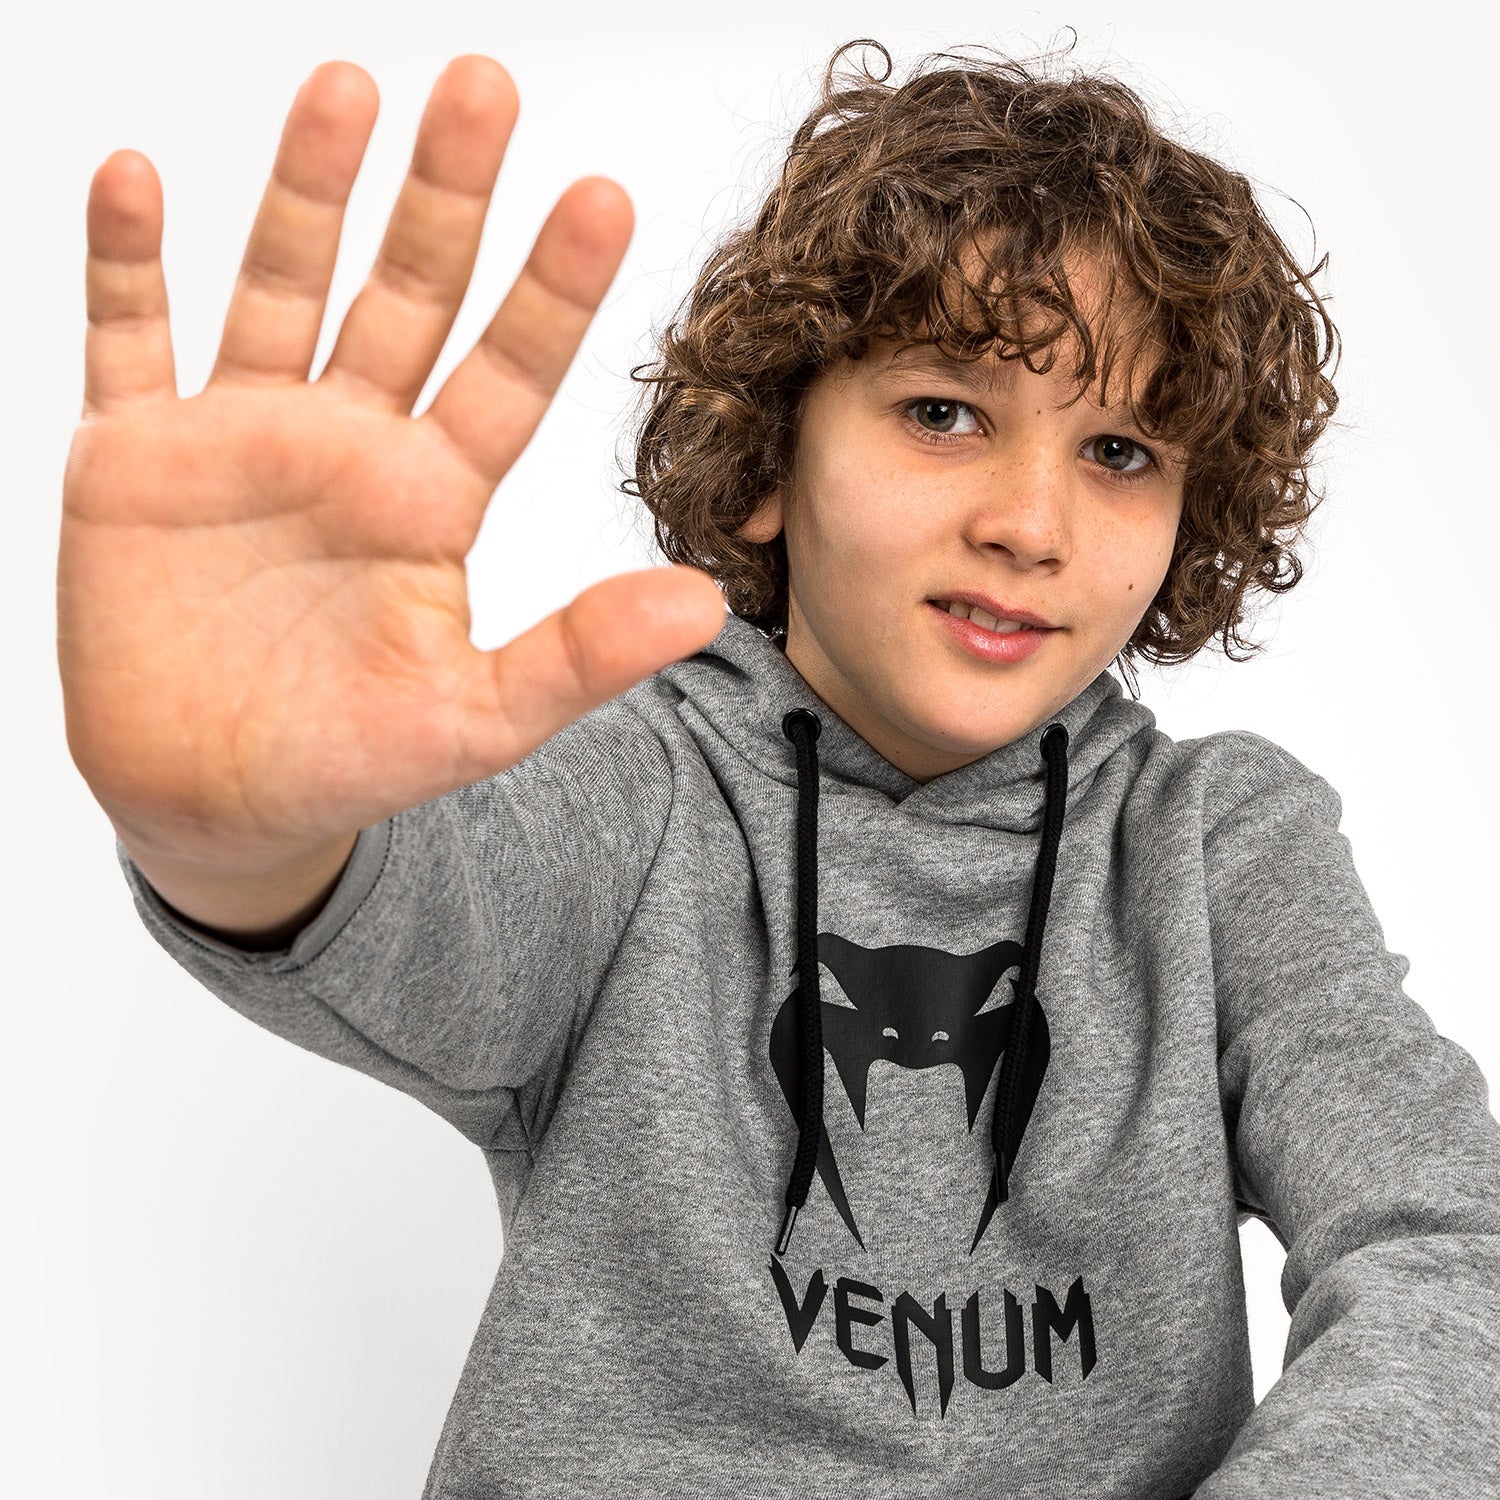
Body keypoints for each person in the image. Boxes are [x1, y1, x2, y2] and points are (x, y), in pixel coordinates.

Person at [58, 34, 1500, 1498]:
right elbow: (414, 923)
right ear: (767, 461)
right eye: (944, 413)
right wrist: (233, 831)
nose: (1031, 523)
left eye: (1121, 451)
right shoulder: (642, 798)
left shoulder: (1219, 847)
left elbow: (1449, 1247)